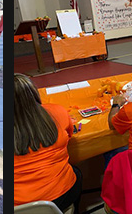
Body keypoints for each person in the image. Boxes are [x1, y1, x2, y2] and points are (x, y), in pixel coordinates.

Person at [11, 73, 80, 210]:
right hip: (61, 194)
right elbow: (69, 135)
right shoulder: (57, 111)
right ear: (33, 93)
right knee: (77, 174)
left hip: (19, 206)